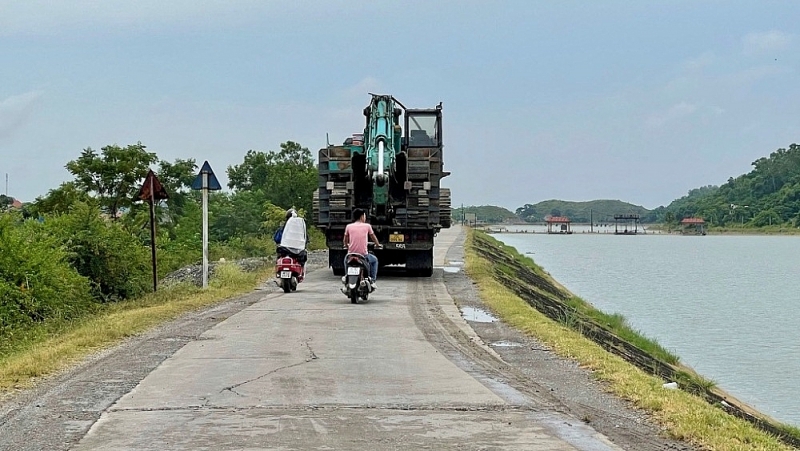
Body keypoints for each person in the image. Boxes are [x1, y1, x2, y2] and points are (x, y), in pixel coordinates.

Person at [343, 208, 381, 289]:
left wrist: (346, 246)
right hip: (363, 255)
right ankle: (372, 280)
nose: (365, 217)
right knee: (374, 260)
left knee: (345, 261)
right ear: (361, 217)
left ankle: (346, 277)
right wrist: (377, 245)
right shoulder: (367, 226)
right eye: (364, 216)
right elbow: (373, 237)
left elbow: (345, 240)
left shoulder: (348, 226)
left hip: (351, 254)